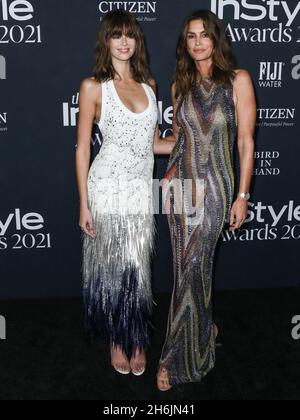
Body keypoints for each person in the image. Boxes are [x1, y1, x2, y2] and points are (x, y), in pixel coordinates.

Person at [157, 10, 256, 391]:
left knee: (195, 267)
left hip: (215, 187)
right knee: (186, 269)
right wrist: (136, 143)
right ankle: (204, 325)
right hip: (180, 187)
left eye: (204, 35)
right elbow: (178, 140)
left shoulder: (237, 80)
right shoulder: (179, 84)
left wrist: (242, 195)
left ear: (216, 39)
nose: (197, 42)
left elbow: (245, 142)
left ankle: (174, 359)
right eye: (191, 36)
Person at [75, 10, 174, 377]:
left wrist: (188, 141)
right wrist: (84, 203)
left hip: (137, 191)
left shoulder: (149, 84)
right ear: (106, 41)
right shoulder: (93, 86)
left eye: (129, 35)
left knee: (137, 269)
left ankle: (135, 336)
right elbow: (83, 148)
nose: (123, 41)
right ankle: (120, 341)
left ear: (136, 41)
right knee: (113, 269)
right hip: (105, 188)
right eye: (116, 35)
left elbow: (152, 145)